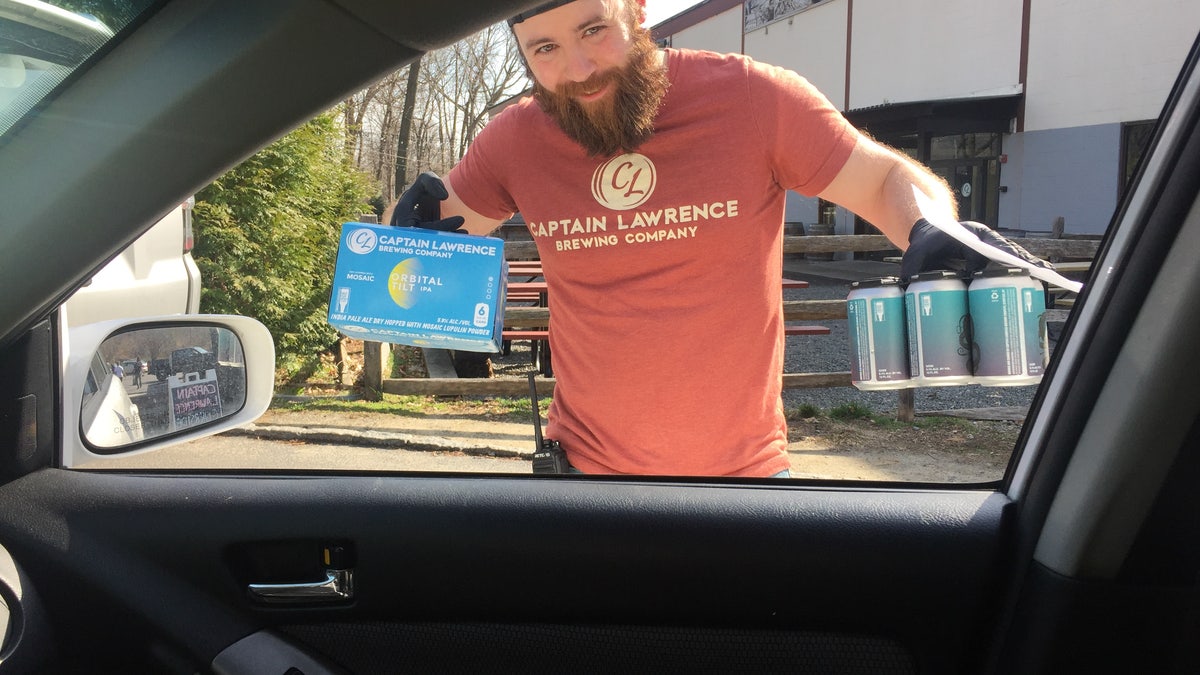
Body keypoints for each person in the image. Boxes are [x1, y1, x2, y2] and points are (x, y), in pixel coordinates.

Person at [387, 0, 1047, 477]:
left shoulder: (752, 100)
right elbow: (432, 234)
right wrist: (400, 228)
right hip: (584, 482)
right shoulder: (516, 138)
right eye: (545, 49)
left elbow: (885, 179)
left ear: (638, 12)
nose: (579, 67)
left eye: (594, 29)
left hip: (745, 483)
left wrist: (929, 227)